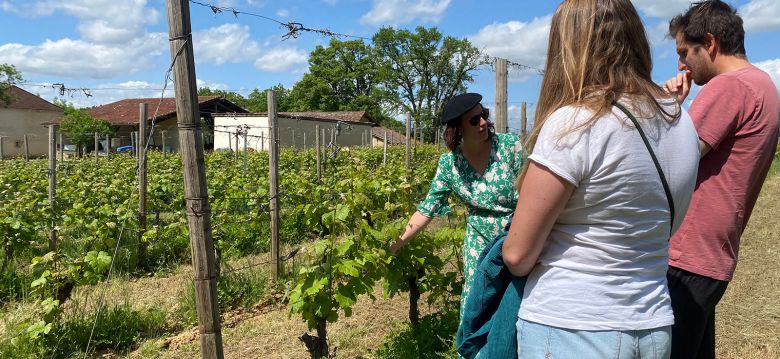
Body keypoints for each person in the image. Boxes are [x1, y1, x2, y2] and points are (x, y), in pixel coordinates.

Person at [501, 0, 701, 358]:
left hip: (571, 327)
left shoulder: (575, 124)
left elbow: (517, 255)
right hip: (653, 325)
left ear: (569, 48)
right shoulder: (680, 121)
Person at [661, 1, 780, 358]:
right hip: (713, 253)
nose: (681, 64)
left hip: (686, 254)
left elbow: (671, 161)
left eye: (685, 52)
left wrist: (669, 110)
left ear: (709, 43)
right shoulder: (763, 85)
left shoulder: (728, 87)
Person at [390, 93, 524, 317]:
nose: (483, 122)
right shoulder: (449, 165)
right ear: (458, 129)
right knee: (477, 299)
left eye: (484, 115)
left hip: (517, 230)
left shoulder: (509, 146)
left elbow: (530, 191)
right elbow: (428, 208)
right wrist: (395, 245)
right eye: (474, 120)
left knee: (516, 297)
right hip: (479, 238)